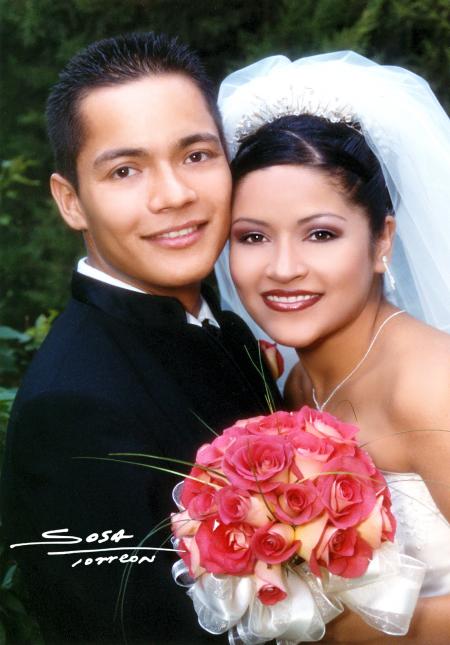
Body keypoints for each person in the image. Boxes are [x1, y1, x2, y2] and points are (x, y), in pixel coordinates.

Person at [0, 33, 281, 644]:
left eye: (197, 155)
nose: (175, 194)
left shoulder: (230, 331)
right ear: (71, 202)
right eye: (125, 170)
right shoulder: (72, 411)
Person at [215, 52, 450, 642]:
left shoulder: (430, 388)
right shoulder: (298, 383)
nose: (284, 268)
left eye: (321, 234)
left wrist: (328, 626)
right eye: (252, 237)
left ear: (381, 240)